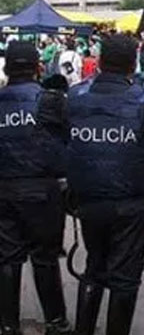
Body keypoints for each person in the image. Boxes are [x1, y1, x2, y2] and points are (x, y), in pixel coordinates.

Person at [44, 34, 144, 335]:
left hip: (87, 200)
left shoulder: (76, 98)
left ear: (100, 62)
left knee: (94, 268)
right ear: (133, 65)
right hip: (128, 201)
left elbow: (59, 135)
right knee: (125, 278)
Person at [0, 42, 73, 334]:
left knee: (6, 258)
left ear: (6, 69)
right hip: (43, 190)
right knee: (44, 258)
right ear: (38, 68)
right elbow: (72, 138)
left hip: (3, 189)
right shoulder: (51, 101)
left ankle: (7, 325)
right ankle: (55, 322)